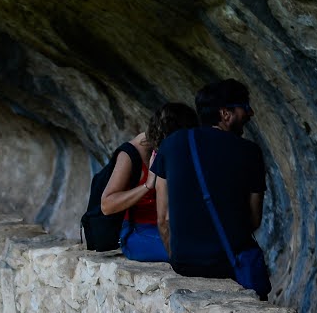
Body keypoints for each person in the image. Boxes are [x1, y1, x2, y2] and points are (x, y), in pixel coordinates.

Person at [153, 78, 271, 297]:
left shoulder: (171, 144)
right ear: (225, 114)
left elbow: (163, 219)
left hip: (184, 264)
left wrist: (178, 258)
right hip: (228, 265)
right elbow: (254, 219)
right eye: (244, 108)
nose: (250, 113)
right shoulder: (249, 151)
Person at [99, 102, 195, 263]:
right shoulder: (131, 154)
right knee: (190, 252)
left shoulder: (174, 150)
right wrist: (148, 185)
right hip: (138, 232)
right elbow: (107, 205)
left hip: (175, 227)